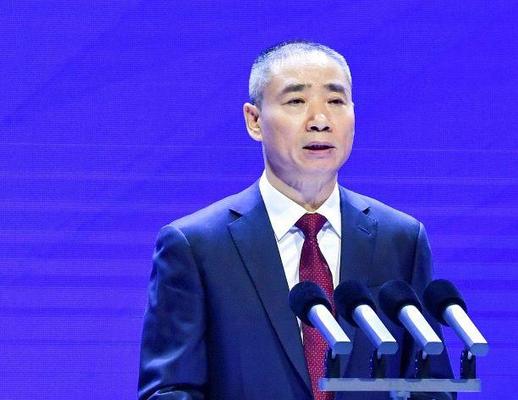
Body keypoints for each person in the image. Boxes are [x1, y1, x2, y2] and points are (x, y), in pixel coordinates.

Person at [138, 41, 454, 400]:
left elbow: (431, 385)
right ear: (254, 120)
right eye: (296, 101)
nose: (320, 121)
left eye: (335, 101)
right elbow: (170, 391)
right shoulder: (197, 246)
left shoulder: (400, 239)